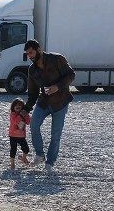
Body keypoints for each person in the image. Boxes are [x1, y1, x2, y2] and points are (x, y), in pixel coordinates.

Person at [23, 39, 75, 170]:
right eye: (27, 54)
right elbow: (33, 92)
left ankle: (50, 163)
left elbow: (71, 75)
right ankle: (40, 155)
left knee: (55, 135)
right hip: (43, 102)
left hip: (60, 102)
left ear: (39, 49)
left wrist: (57, 86)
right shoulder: (32, 70)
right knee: (34, 126)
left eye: (31, 52)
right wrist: (26, 109)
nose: (30, 56)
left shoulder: (57, 59)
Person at [8, 98, 31, 168]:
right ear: (13, 107)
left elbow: (28, 122)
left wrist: (26, 115)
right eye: (16, 105)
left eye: (20, 106)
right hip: (13, 135)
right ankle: (12, 163)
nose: (18, 107)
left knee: (26, 149)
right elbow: (15, 121)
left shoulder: (24, 115)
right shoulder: (13, 114)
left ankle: (23, 158)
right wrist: (21, 115)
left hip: (22, 136)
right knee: (13, 149)